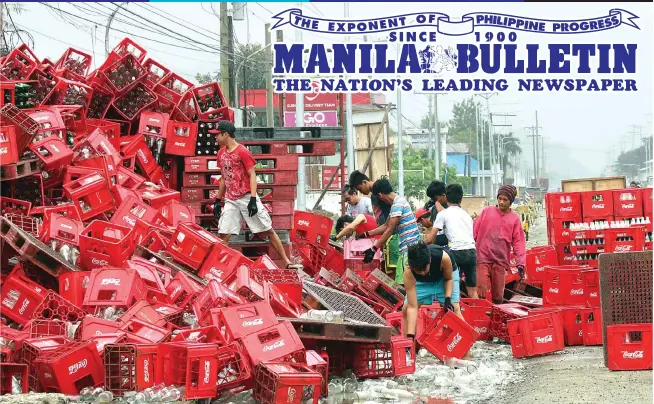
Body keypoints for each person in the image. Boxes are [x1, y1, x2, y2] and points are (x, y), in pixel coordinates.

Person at [210, 120, 297, 269]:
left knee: (267, 230)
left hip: (246, 197)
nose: (215, 138)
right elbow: (224, 177)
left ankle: (287, 262)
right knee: (224, 235)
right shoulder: (221, 154)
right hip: (231, 199)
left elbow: (252, 175)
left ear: (226, 134)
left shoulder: (242, 151)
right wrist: (218, 199)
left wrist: (252, 199)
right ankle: (215, 268)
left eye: (217, 135)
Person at [402, 241, 471, 359]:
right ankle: (410, 347)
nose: (423, 272)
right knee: (406, 309)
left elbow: (449, 279)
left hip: (443, 278)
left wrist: (448, 299)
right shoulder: (409, 272)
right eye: (419, 270)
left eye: (425, 268)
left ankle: (466, 351)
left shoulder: (443, 257)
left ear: (429, 260)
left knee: (455, 309)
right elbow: (413, 307)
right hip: (421, 284)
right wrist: (410, 336)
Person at [359, 178, 421, 285]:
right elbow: (386, 225)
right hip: (408, 249)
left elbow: (389, 230)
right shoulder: (396, 203)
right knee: (404, 284)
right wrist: (366, 234)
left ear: (380, 195)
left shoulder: (398, 204)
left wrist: (373, 249)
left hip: (408, 249)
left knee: (404, 285)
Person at [473, 184, 526, 304]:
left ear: (511, 201)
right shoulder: (487, 211)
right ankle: (480, 315)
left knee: (498, 296)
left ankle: (496, 317)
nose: (501, 202)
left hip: (501, 261)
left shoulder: (514, 219)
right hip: (482, 257)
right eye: (499, 199)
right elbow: (474, 232)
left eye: (505, 200)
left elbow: (518, 242)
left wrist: (521, 263)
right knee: (480, 289)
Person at [426, 184, 479, 299]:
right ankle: (477, 314)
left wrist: (421, 244)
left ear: (446, 197)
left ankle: (452, 308)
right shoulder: (466, 215)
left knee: (448, 285)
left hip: (456, 252)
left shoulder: (443, 214)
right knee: (472, 291)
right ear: (461, 198)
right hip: (472, 252)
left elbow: (430, 239)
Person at [425, 180, 449, 246]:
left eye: (435, 198)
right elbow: (433, 229)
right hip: (437, 245)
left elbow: (447, 215)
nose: (433, 200)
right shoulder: (434, 209)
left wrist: (437, 203)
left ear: (443, 195)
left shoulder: (452, 207)